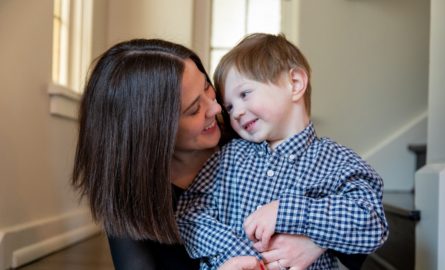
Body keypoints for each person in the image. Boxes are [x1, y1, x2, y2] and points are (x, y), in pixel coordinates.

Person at [71, 38, 312, 270]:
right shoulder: (128, 196)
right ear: (153, 132)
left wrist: (315, 242)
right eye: (195, 108)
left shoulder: (250, 138)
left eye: (208, 87)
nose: (217, 108)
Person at [176, 33, 389, 269]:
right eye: (229, 106)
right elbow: (189, 213)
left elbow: (372, 223)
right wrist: (235, 251)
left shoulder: (338, 162)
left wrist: (288, 211)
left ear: (295, 83)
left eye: (244, 94)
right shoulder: (228, 158)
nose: (235, 112)